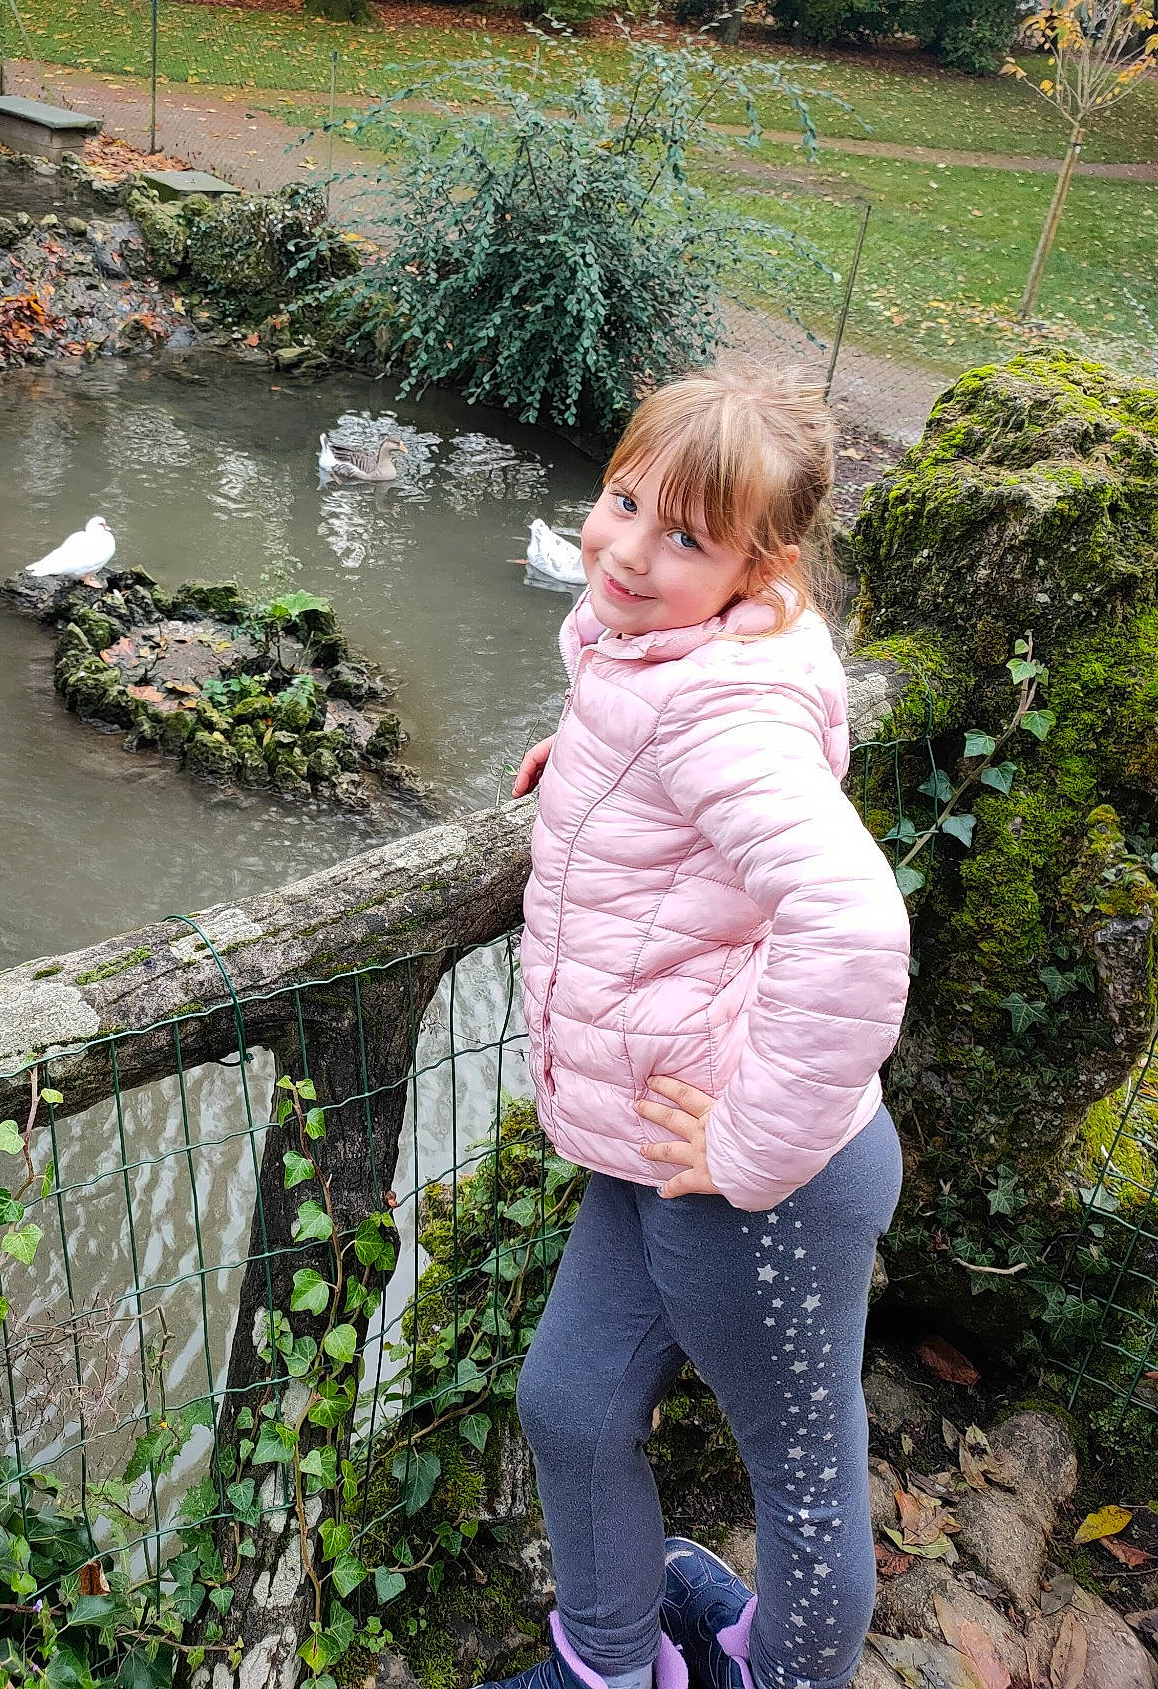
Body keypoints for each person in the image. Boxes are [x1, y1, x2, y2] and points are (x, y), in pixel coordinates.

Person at [491, 363, 910, 1689]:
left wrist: (753, 1143)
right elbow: (679, 748)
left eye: (685, 537)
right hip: (658, 1137)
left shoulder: (725, 709)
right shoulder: (680, 656)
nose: (624, 549)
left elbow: (851, 920)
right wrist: (596, 771)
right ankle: (615, 1664)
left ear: (759, 571)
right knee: (568, 1407)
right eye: (624, 502)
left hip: (756, 1178)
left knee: (801, 1480)